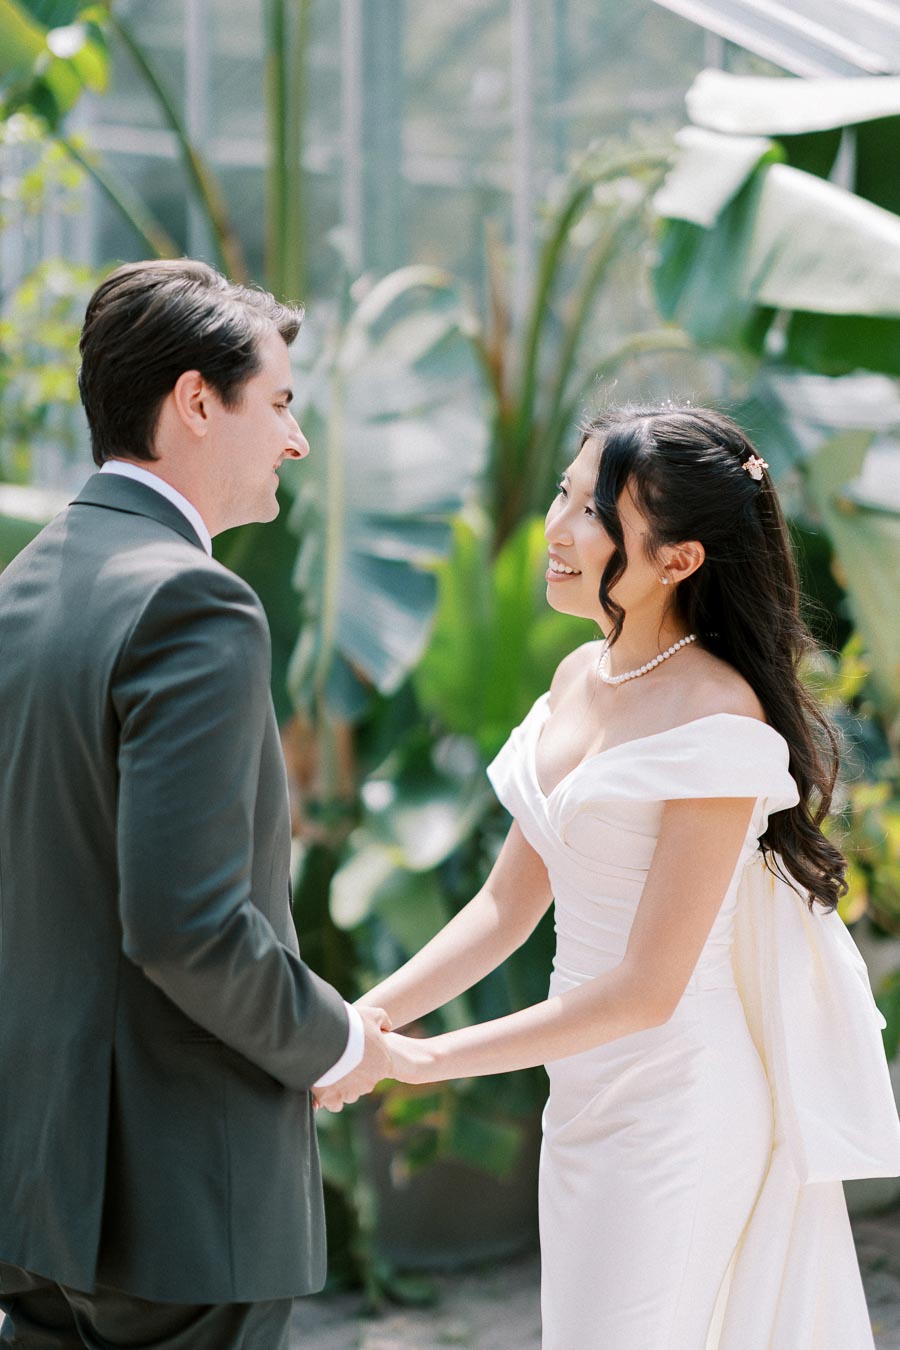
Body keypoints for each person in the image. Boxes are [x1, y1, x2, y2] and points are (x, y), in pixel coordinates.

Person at [317, 405, 900, 1348]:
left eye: (593, 511)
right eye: (565, 491)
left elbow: (646, 988)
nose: (557, 528)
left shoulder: (720, 716)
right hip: (584, 1095)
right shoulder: (579, 679)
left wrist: (428, 1060)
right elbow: (508, 905)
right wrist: (359, 1023)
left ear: (678, 560)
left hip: (678, 1105)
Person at [0, 259, 391, 1350]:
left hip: (33, 1191)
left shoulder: (21, 587)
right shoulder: (194, 601)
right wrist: (334, 1040)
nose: (295, 441)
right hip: (178, 1200)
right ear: (195, 401)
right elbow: (190, 925)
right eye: (278, 403)